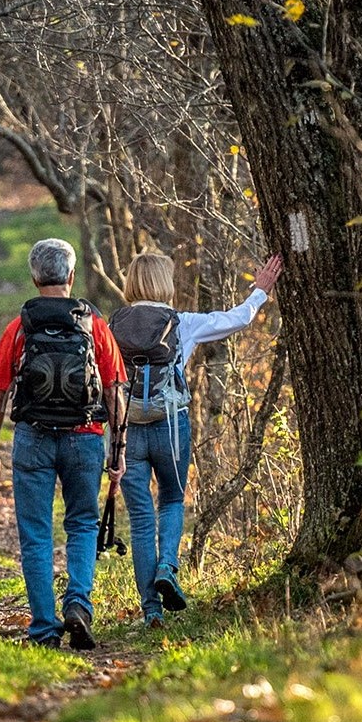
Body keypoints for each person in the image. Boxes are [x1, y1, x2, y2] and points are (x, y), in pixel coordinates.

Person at [112, 252, 282, 628]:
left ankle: (151, 610)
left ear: (132, 284)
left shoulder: (113, 325)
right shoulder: (181, 323)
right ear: (165, 284)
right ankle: (168, 567)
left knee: (140, 519)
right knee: (172, 498)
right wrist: (260, 291)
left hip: (128, 426)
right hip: (171, 424)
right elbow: (236, 319)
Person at [0, 239, 127, 650]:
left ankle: (45, 628)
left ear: (34, 277)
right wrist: (119, 450)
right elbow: (115, 392)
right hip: (85, 438)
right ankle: (78, 602)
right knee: (82, 523)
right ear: (71, 276)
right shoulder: (94, 326)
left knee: (36, 533)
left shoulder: (20, 326)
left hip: (33, 438)